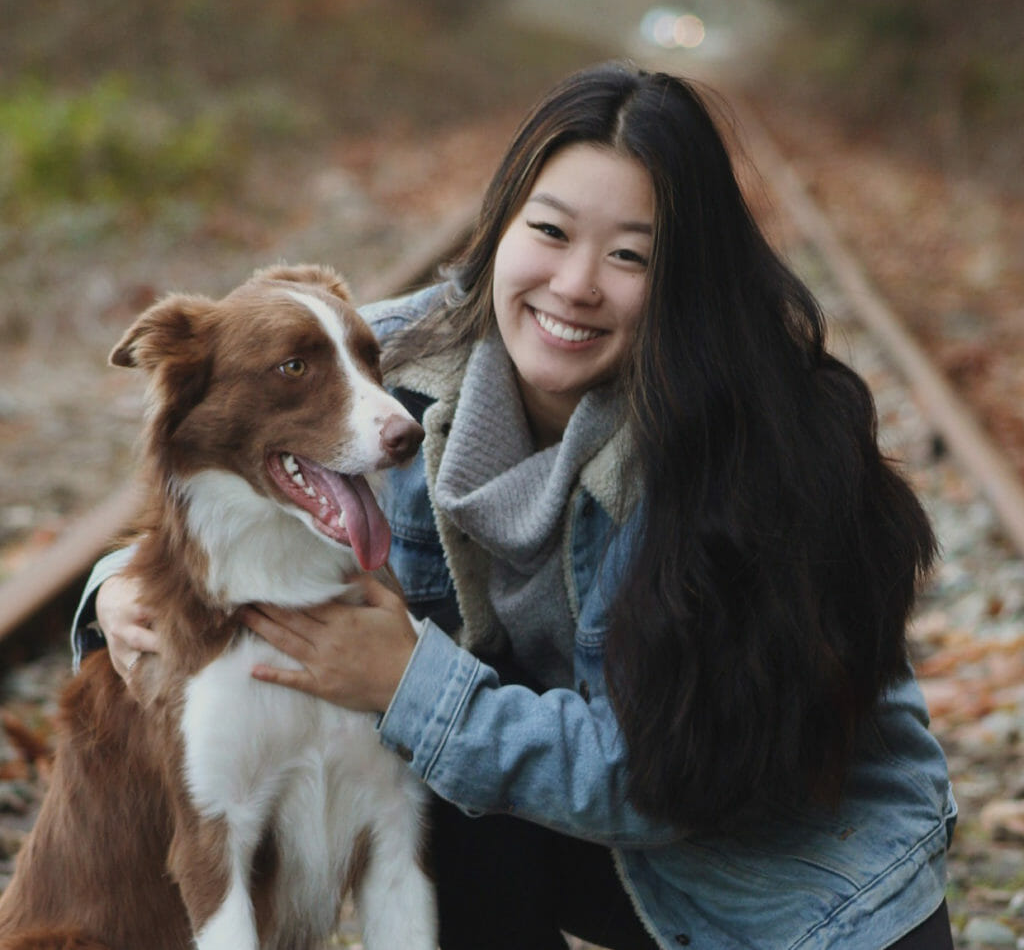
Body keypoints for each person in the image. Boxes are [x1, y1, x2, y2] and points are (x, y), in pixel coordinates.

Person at [76, 62, 956, 949]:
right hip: (581, 829)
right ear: (497, 227)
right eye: (550, 230)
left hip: (793, 889)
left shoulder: (750, 446)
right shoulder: (392, 365)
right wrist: (117, 586)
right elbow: (221, 465)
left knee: (438, 730)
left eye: (630, 256)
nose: (575, 285)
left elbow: (670, 781)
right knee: (444, 774)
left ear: (688, 277)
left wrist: (412, 687)